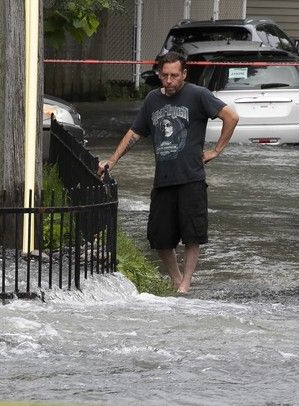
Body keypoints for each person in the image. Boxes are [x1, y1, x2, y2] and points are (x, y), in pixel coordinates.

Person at [97, 51, 239, 294]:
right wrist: (112, 160)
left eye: (175, 75)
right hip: (163, 180)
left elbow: (231, 116)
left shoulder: (198, 95)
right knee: (160, 237)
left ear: (184, 74)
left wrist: (216, 151)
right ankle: (175, 278)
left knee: (192, 235)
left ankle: (186, 283)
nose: (170, 81)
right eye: (165, 76)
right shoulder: (153, 99)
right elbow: (135, 133)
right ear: (159, 74)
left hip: (191, 178)